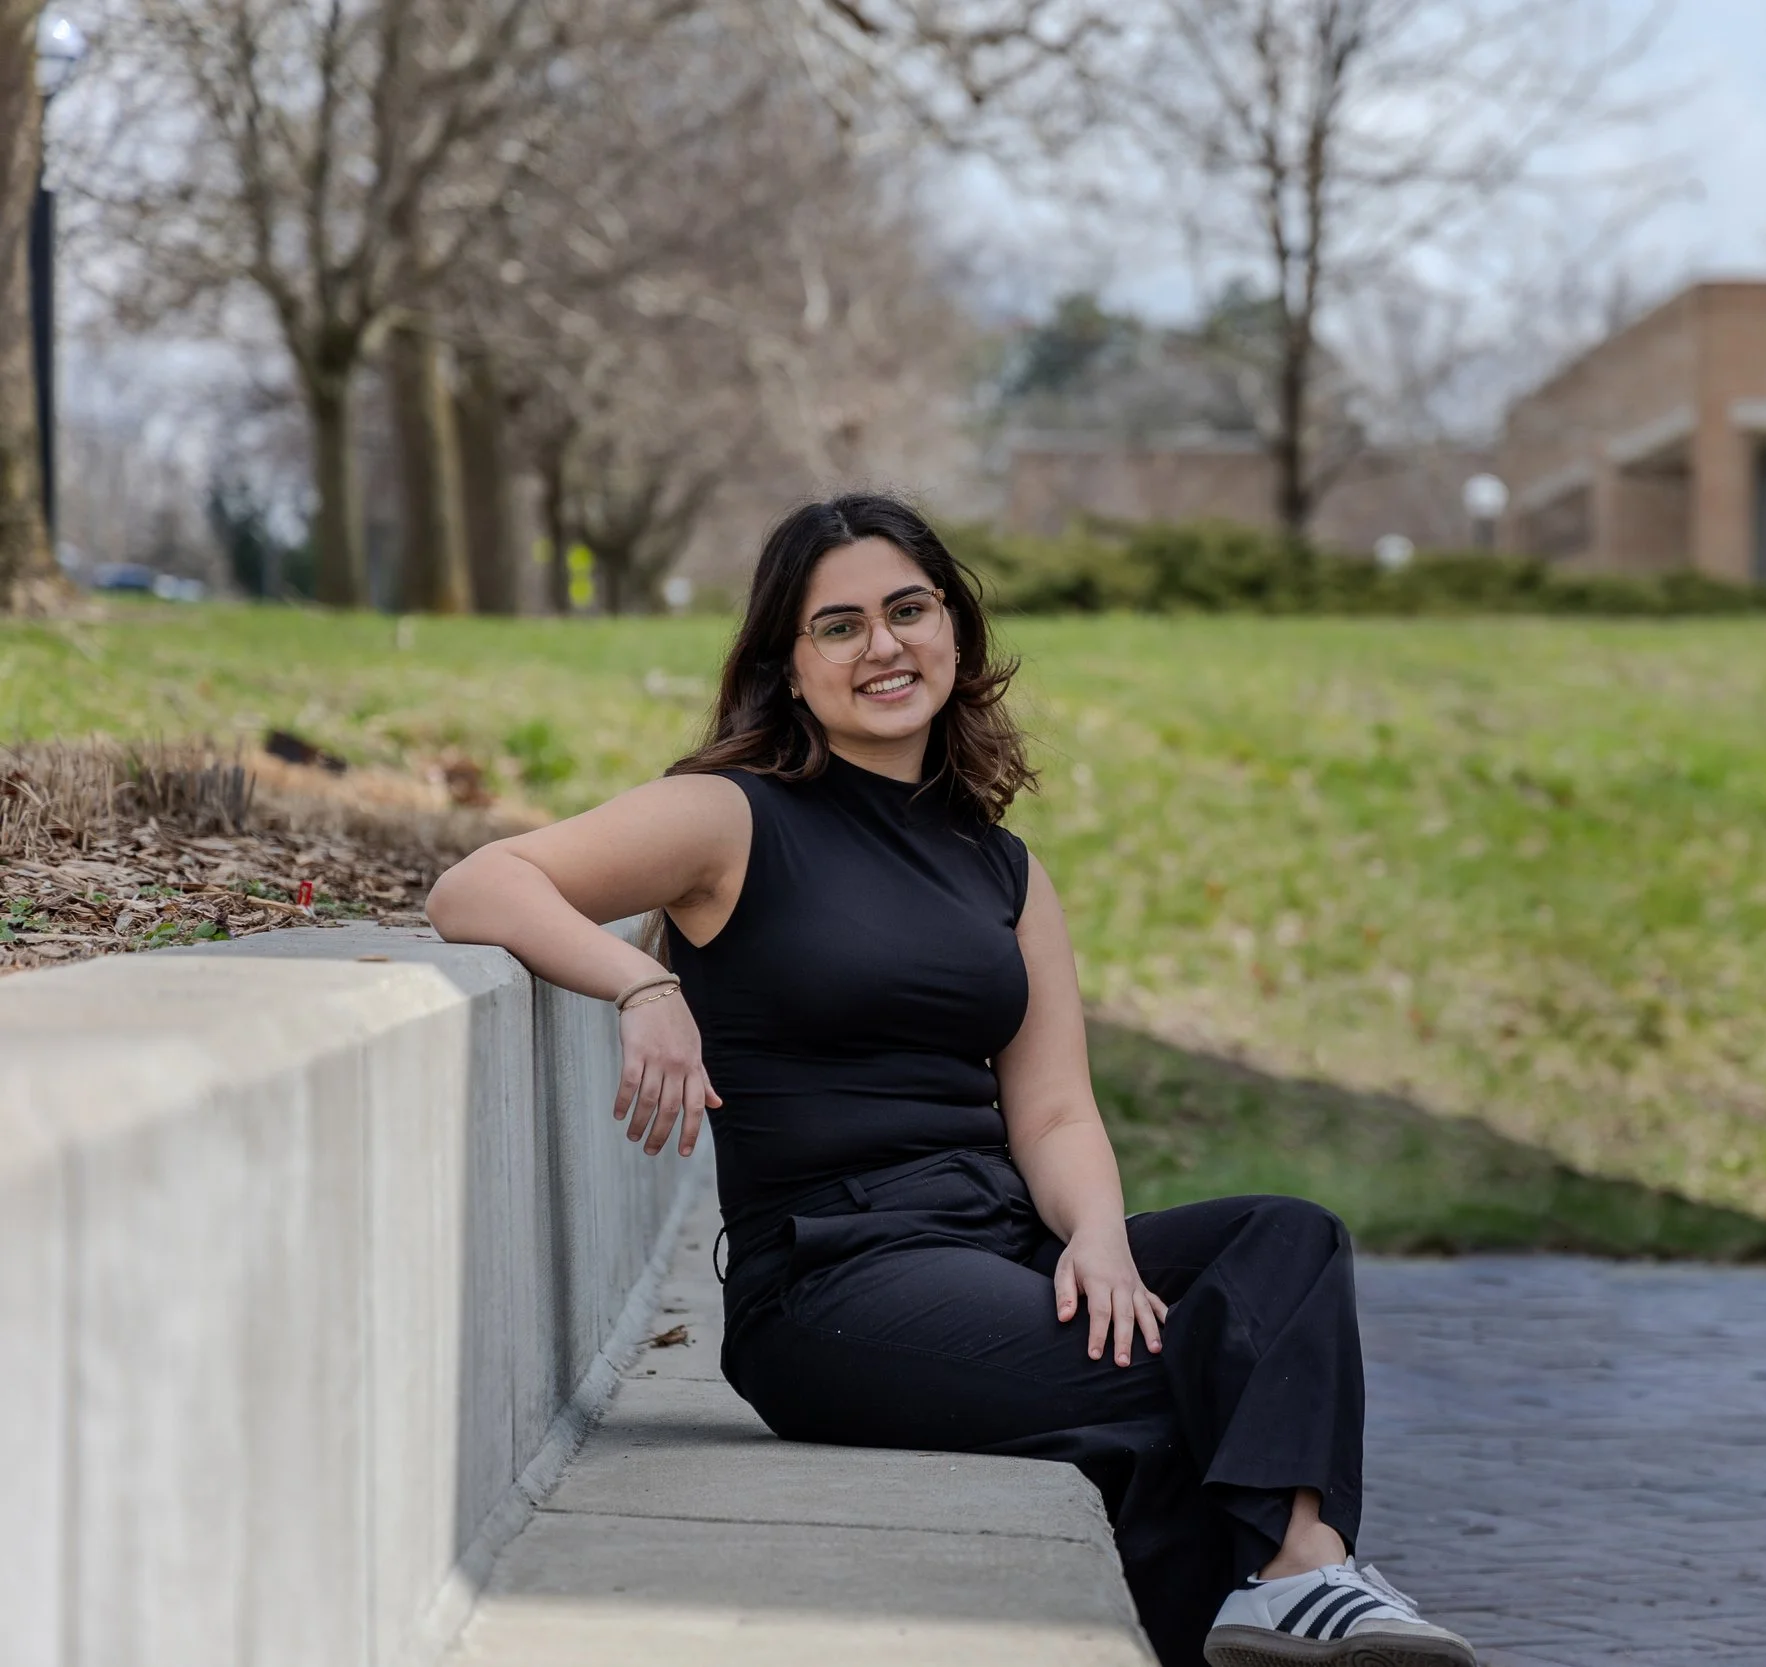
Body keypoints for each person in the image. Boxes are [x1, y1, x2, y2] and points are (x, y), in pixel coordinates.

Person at [425, 494, 1478, 1667]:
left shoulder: (1004, 868)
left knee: (1285, 1239)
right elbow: (481, 884)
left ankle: (1297, 1573)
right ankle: (1299, 1583)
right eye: (839, 625)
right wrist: (645, 987)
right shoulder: (729, 816)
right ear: (789, 662)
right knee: (1178, 1382)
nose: (883, 645)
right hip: (835, 1282)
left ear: (955, 631)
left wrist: (1097, 1238)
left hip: (997, 1240)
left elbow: (1056, 1107)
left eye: (908, 609)